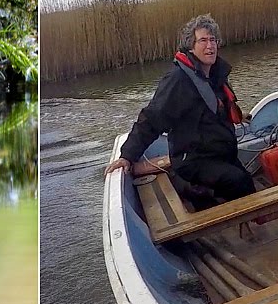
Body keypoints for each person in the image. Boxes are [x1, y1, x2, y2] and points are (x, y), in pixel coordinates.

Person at [105, 14, 256, 202]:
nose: (210, 46)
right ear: (191, 46)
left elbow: (217, 109)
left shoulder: (214, 75)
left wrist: (239, 116)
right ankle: (201, 197)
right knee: (240, 182)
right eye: (203, 41)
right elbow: (152, 118)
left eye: (213, 40)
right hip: (193, 160)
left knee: (246, 179)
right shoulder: (178, 80)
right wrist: (127, 156)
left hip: (219, 154)